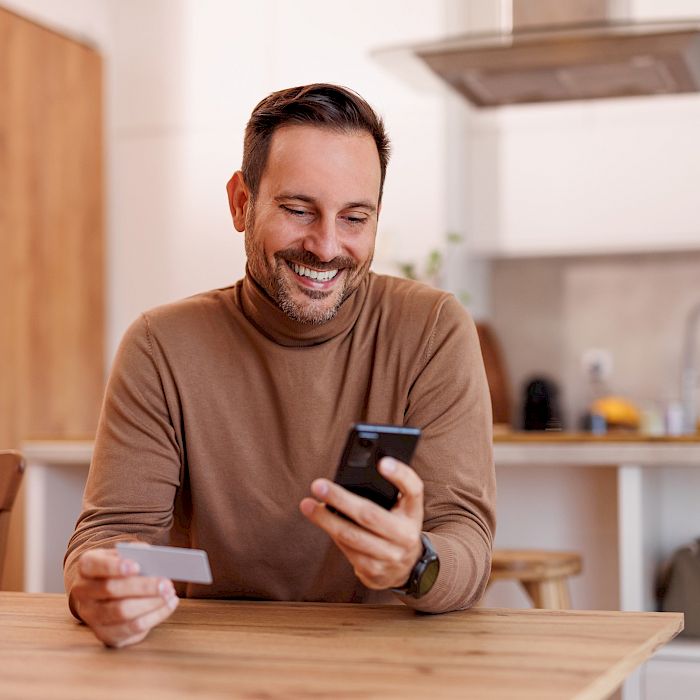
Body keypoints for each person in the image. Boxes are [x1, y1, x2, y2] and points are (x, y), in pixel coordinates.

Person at [64, 83, 496, 648]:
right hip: (209, 661)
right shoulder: (160, 345)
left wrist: (417, 563)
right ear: (241, 203)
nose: (325, 245)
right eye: (298, 210)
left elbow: (466, 537)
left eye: (354, 218)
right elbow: (109, 535)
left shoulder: (432, 328)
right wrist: (105, 586)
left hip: (383, 658)